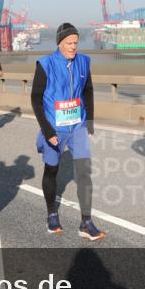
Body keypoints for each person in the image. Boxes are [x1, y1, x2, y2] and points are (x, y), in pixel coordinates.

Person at [31, 23, 106, 241]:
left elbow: (88, 90)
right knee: (51, 170)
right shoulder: (45, 64)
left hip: (78, 126)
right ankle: (52, 214)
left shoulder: (83, 61)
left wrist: (90, 120)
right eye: (69, 43)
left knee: (84, 172)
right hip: (54, 127)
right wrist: (47, 130)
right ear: (59, 43)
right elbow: (35, 99)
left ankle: (86, 222)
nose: (73, 47)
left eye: (75, 43)